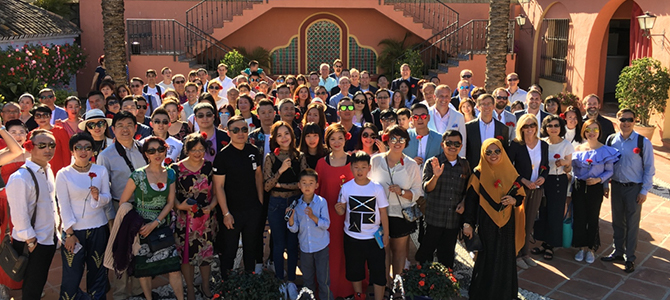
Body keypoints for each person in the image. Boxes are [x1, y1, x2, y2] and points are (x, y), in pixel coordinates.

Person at [117, 137, 183, 300]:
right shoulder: (138, 175)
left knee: (174, 267)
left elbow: (170, 203)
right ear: (146, 154)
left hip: (161, 225)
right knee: (144, 268)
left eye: (160, 149)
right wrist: (136, 222)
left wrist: (156, 223)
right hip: (142, 228)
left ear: (166, 150)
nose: (157, 154)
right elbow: (123, 202)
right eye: (151, 151)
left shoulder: (170, 173)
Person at [462, 138, 526, 300]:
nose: (493, 155)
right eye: (488, 152)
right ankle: (483, 293)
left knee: (506, 254)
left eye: (497, 151)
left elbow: (520, 196)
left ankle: (505, 293)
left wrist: (514, 201)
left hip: (507, 222)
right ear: (483, 154)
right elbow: (470, 201)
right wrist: (467, 223)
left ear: (502, 152)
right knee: (488, 256)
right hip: (486, 221)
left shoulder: (511, 171)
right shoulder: (478, 173)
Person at [97, 112, 147, 299]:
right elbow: (104, 189)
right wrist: (111, 217)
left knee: (140, 249)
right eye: (120, 125)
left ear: (136, 127)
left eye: (129, 124)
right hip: (121, 207)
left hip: (144, 206)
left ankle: (138, 289)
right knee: (121, 250)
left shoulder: (144, 149)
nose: (125, 129)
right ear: (113, 129)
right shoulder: (106, 156)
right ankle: (119, 293)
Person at [56, 133, 111, 300]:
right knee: (72, 276)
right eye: (78, 147)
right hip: (75, 231)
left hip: (98, 227)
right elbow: (63, 205)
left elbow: (107, 198)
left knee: (98, 272)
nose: (83, 151)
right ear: (72, 151)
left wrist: (97, 197)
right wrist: (70, 233)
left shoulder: (100, 170)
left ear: (93, 151)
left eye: (88, 148)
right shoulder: (64, 174)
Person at [6, 129, 59, 300]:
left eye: (52, 145)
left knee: (39, 282)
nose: (48, 149)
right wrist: (30, 241)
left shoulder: (48, 170)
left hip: (48, 237)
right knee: (31, 287)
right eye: (42, 145)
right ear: (30, 147)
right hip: (32, 242)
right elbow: (19, 215)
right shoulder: (20, 177)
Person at [601, 108, 654, 273]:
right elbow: (606, 164)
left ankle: (629, 258)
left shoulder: (642, 142)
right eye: (622, 120)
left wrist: (644, 190)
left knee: (632, 224)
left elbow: (649, 168)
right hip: (616, 186)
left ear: (635, 121)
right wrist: (605, 184)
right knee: (617, 222)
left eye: (629, 120)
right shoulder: (611, 140)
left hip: (634, 188)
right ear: (617, 121)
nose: (626, 123)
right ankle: (618, 251)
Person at [369, 125, 421, 286]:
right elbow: (368, 184)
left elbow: (418, 192)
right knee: (383, 252)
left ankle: (397, 287)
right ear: (387, 140)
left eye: (401, 139)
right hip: (379, 214)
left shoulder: (411, 164)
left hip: (401, 214)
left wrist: (402, 192)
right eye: (393, 139)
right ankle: (384, 285)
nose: (397, 143)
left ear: (406, 142)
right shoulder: (376, 160)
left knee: (399, 253)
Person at [213, 116, 264, 275]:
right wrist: (225, 213)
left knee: (251, 249)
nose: (240, 133)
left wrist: (260, 204)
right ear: (228, 133)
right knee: (229, 250)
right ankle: (225, 287)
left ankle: (249, 284)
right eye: (235, 130)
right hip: (232, 212)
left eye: (244, 129)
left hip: (252, 210)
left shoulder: (253, 151)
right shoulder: (223, 156)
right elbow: (219, 186)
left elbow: (258, 177)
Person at [335, 151, 390, 300]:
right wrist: (338, 209)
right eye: (356, 167)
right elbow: (341, 211)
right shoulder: (346, 187)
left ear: (369, 168)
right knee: (355, 271)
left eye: (363, 167)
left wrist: (386, 233)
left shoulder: (376, 188)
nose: (359, 171)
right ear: (351, 168)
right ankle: (359, 296)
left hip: (374, 237)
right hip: (352, 237)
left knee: (378, 271)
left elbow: (383, 212)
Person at [263, 121, 308, 297]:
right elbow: (267, 186)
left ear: (292, 135)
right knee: (279, 243)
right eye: (279, 135)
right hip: (276, 204)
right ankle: (280, 281)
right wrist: (281, 171)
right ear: (274, 138)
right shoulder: (270, 158)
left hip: (295, 204)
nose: (284, 138)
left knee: (292, 243)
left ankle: (291, 281)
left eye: (286, 134)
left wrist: (282, 185)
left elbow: (303, 184)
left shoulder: (299, 156)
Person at [171, 133, 217, 299]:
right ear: (187, 150)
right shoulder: (175, 169)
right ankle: (189, 288)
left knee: (205, 254)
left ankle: (205, 285)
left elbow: (218, 191)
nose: (198, 153)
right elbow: (171, 195)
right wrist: (179, 205)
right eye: (194, 149)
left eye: (201, 149)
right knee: (186, 256)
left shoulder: (209, 167)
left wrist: (211, 206)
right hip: (185, 219)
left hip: (205, 218)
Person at [415, 130, 470, 268]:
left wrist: (463, 203)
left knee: (447, 257)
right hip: (434, 218)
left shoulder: (464, 165)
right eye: (449, 143)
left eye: (456, 143)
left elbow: (468, 190)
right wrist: (436, 176)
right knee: (425, 255)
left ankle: (445, 286)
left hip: (452, 220)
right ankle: (422, 284)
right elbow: (427, 188)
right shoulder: (432, 163)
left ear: (461, 145)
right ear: (442, 144)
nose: (453, 146)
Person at [315, 123, 354, 298]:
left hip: (349, 217)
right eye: (332, 139)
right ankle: (328, 289)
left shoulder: (354, 162)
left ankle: (348, 289)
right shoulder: (321, 164)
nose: (337, 142)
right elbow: (315, 191)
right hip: (327, 218)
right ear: (327, 141)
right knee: (330, 253)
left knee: (348, 252)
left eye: (340, 138)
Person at [571, 119, 619, 264]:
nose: (591, 133)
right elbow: (574, 169)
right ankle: (581, 247)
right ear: (583, 131)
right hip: (579, 186)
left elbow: (610, 171)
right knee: (579, 217)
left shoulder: (605, 150)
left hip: (595, 188)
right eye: (588, 130)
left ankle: (591, 248)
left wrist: (599, 180)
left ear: (599, 132)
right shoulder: (578, 149)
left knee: (592, 218)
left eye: (595, 130)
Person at [507, 114, 549, 269]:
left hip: (536, 189)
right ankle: (516, 254)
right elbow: (510, 167)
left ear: (536, 127)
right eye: (526, 126)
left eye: (532, 125)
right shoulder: (516, 144)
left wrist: (543, 178)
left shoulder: (543, 145)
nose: (529, 129)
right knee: (519, 221)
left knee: (530, 221)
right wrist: (523, 180)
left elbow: (545, 166)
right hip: (521, 189)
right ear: (521, 128)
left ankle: (525, 253)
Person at [532, 115, 573, 260]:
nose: (553, 128)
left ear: (561, 127)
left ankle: (551, 245)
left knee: (555, 212)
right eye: (550, 126)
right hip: (543, 180)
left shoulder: (566, 144)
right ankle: (543, 242)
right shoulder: (541, 142)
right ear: (545, 128)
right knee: (542, 211)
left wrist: (564, 163)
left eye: (556, 125)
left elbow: (569, 169)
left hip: (557, 180)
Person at [288, 169, 333, 300]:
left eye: (311, 183)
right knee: (308, 281)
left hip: (321, 247)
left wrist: (313, 217)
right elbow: (294, 229)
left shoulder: (321, 202)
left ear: (316, 185)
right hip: (305, 248)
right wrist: (291, 220)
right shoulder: (296, 205)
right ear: (299, 185)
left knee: (323, 280)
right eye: (304, 183)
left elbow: (326, 224)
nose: (307, 186)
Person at [0, 120, 28, 289]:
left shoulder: (33, 154)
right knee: (4, 245)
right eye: (13, 132)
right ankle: (2, 285)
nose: (17, 135)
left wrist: (2, 129)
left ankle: (25, 283)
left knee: (23, 245)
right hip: (5, 205)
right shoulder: (3, 154)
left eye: (21, 132)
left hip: (25, 204)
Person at [465, 94, 509, 169]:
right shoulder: (468, 127)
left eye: (489, 104)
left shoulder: (503, 128)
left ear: (493, 106)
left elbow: (505, 152)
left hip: (495, 170)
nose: (486, 107)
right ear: (478, 107)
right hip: (474, 170)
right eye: (483, 104)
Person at [31, 105, 71, 175]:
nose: (42, 118)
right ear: (34, 119)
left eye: (45, 115)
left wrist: (66, 172)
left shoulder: (60, 131)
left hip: (58, 170)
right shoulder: (32, 134)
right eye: (38, 116)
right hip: (38, 171)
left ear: (51, 116)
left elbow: (67, 152)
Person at [428, 85, 466, 157]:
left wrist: (461, 161)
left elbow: (462, 141)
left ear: (450, 98)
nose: (444, 99)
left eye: (447, 96)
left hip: (451, 160)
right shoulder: (426, 114)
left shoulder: (459, 117)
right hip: (429, 158)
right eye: (441, 96)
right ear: (434, 97)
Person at [404, 103, 442, 168]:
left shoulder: (439, 138)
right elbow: (397, 160)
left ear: (429, 118)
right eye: (415, 117)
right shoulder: (404, 137)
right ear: (411, 120)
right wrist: (411, 163)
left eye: (423, 116)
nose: (420, 119)